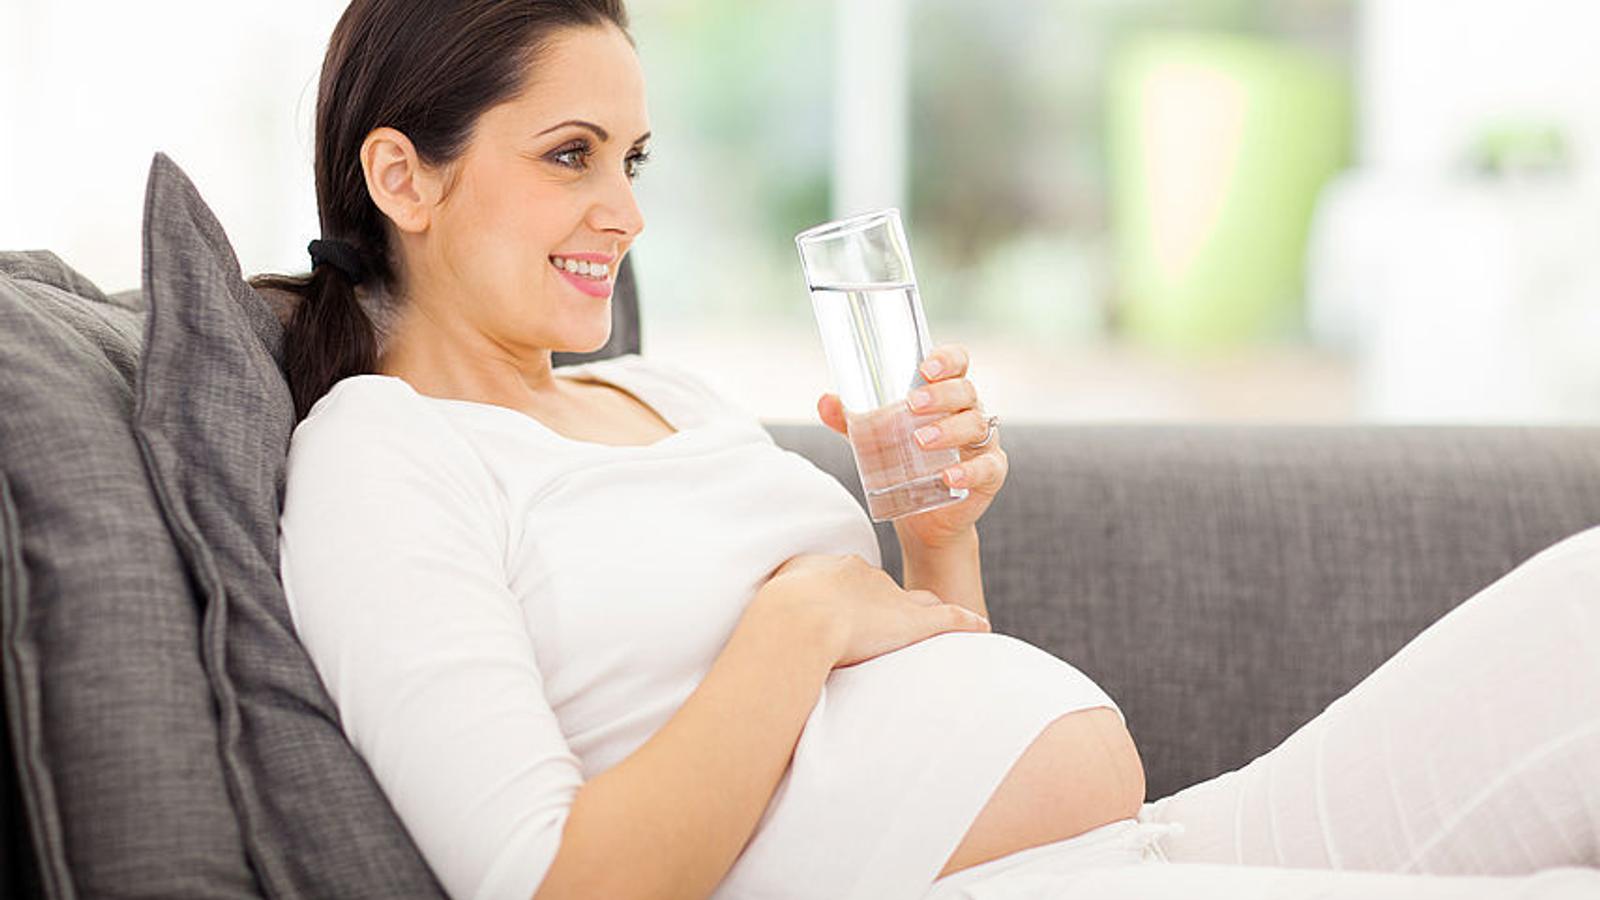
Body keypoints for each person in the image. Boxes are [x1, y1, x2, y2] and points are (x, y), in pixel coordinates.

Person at [262, 2, 1600, 899]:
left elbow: (931, 703)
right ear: (403, 177)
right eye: (570, 155)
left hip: (1138, 850)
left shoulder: (662, 393)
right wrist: (796, 619)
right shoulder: (383, 458)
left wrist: (933, 535)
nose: (624, 209)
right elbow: (551, 883)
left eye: (635, 159)